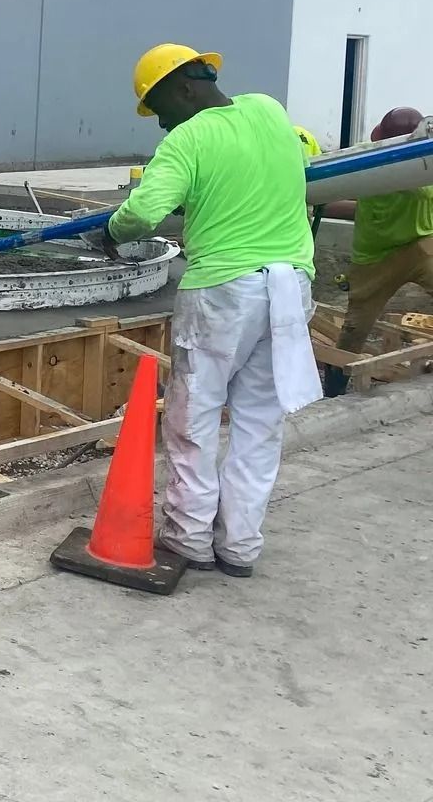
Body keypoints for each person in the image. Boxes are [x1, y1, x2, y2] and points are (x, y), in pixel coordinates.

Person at [103, 43, 321, 578]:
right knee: (258, 423)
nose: (159, 126)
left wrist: (110, 231)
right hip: (291, 286)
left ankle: (189, 538)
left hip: (224, 289)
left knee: (193, 416)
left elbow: (145, 211)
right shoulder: (269, 110)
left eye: (157, 110)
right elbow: (287, 167)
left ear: (181, 88)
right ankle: (240, 547)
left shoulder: (186, 139)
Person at [327, 107, 433, 393]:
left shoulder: (426, 160)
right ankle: (334, 390)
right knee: (354, 329)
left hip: (420, 243)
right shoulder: (367, 160)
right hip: (376, 257)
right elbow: (336, 192)